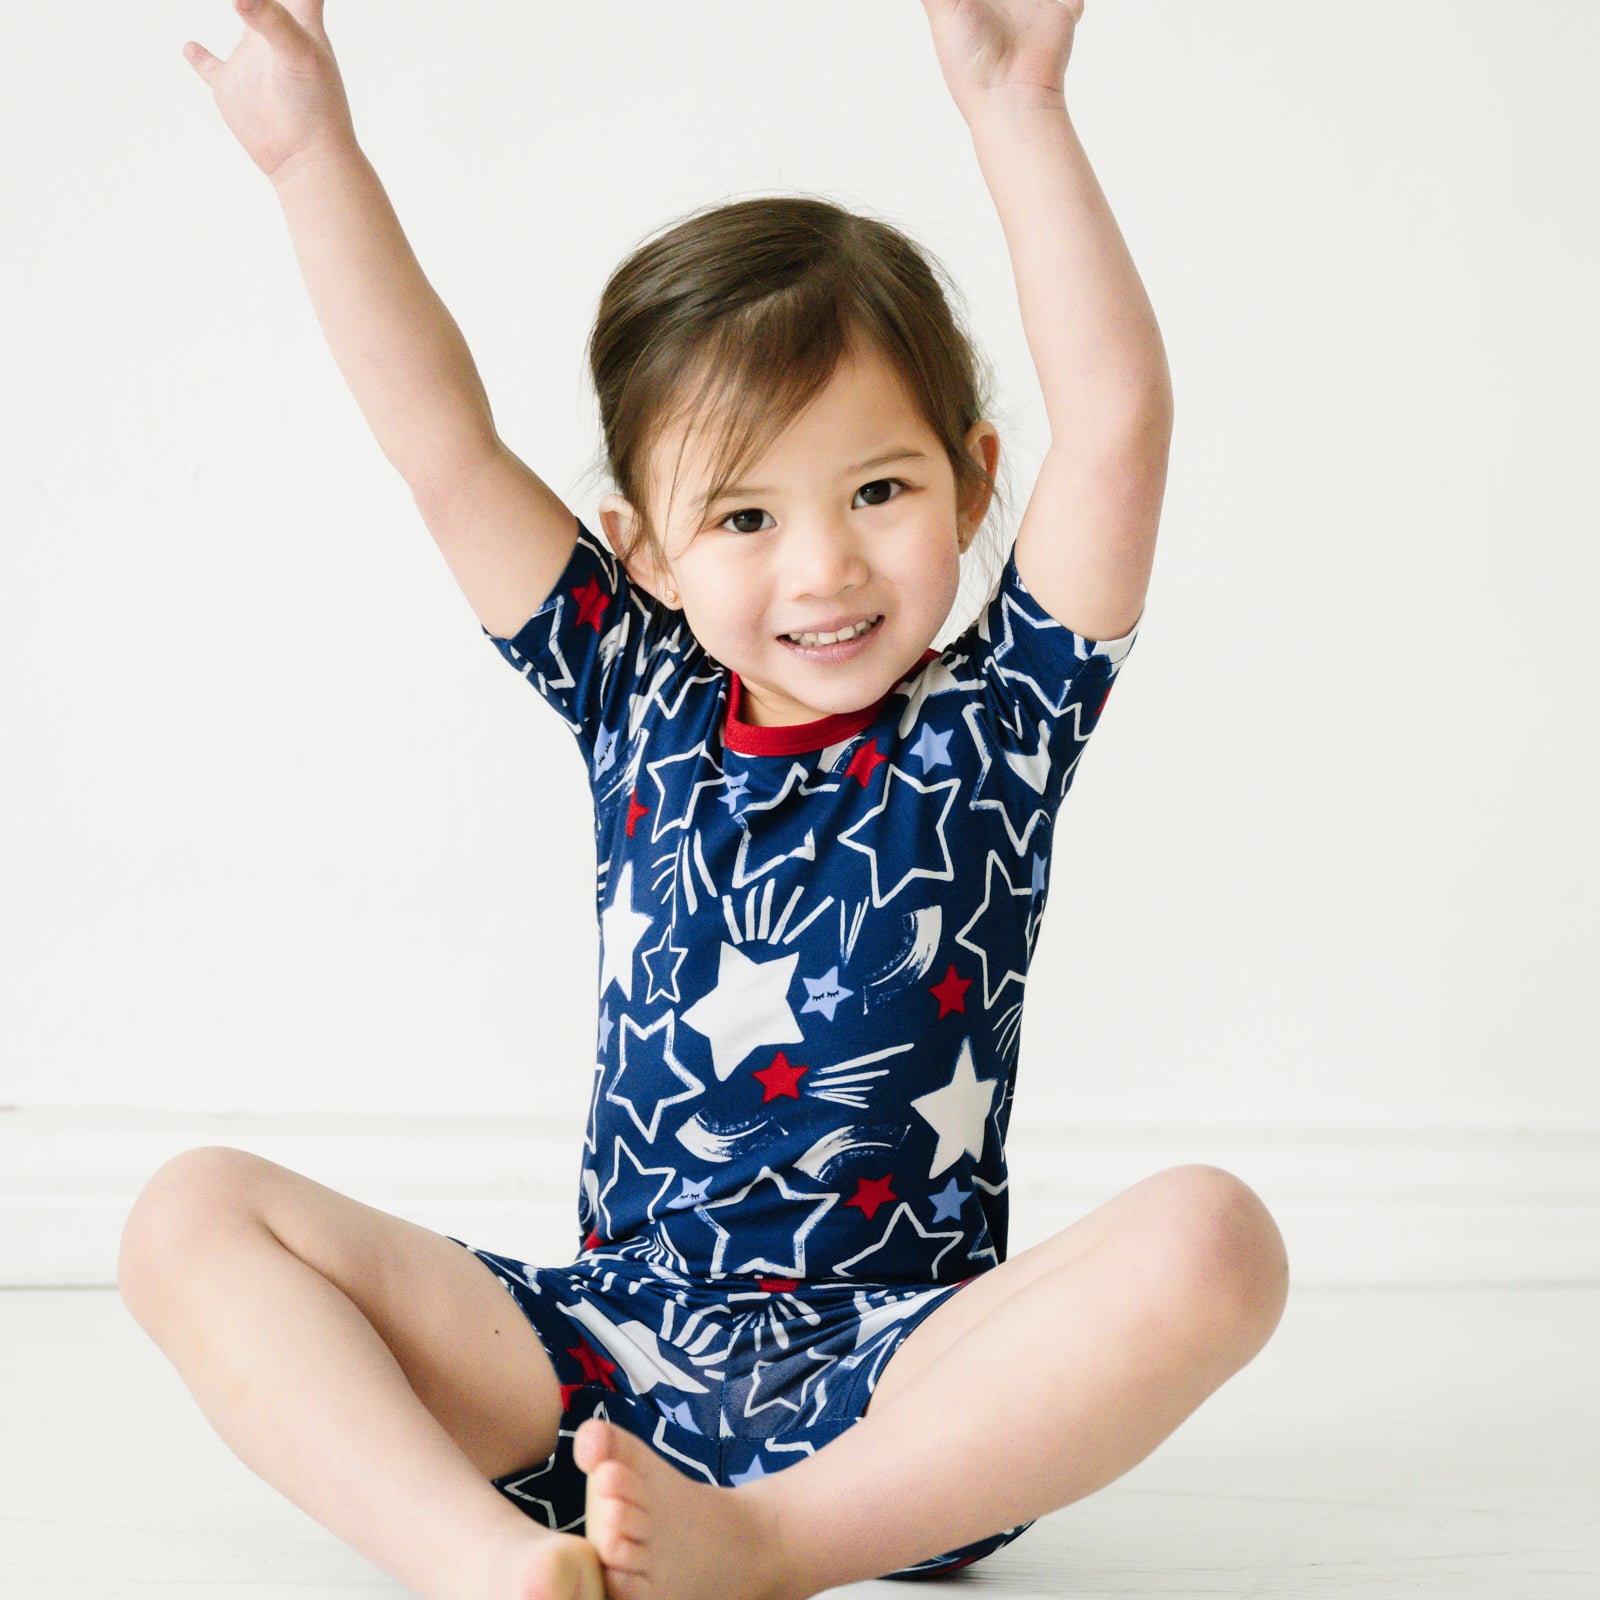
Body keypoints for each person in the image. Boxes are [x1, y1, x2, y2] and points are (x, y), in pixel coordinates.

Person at [118, 3, 1291, 1599]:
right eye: (744, 514)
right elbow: (446, 451)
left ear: (970, 476)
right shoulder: (637, 694)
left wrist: (1019, 107)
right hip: (599, 1361)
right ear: (647, 550)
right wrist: (314, 155)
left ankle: (778, 1545)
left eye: (879, 488)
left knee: (1215, 1240)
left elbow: (1124, 425)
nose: (824, 567)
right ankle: (483, 1563)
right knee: (189, 1217)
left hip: (905, 1395)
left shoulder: (1003, 717)